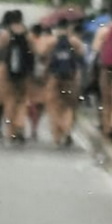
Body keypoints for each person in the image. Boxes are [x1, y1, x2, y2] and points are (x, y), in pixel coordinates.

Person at [43, 18, 85, 147]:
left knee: (54, 106)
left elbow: (44, 57)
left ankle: (56, 136)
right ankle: (67, 130)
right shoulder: (75, 42)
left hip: (54, 77)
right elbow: (82, 59)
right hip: (71, 78)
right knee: (69, 106)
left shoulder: (51, 42)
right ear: (68, 28)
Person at [0, 9, 33, 143]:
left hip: (8, 70)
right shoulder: (28, 33)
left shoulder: (5, 33)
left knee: (9, 100)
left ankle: (10, 131)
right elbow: (32, 51)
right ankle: (20, 126)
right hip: (24, 71)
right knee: (22, 100)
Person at [92, 1, 112, 142]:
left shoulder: (103, 30)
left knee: (106, 99)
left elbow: (95, 49)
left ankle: (106, 128)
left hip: (105, 69)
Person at [27, 23, 50, 140]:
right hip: (42, 76)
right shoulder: (46, 42)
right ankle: (35, 127)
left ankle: (32, 125)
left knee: (30, 103)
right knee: (40, 104)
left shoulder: (28, 41)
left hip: (30, 77)